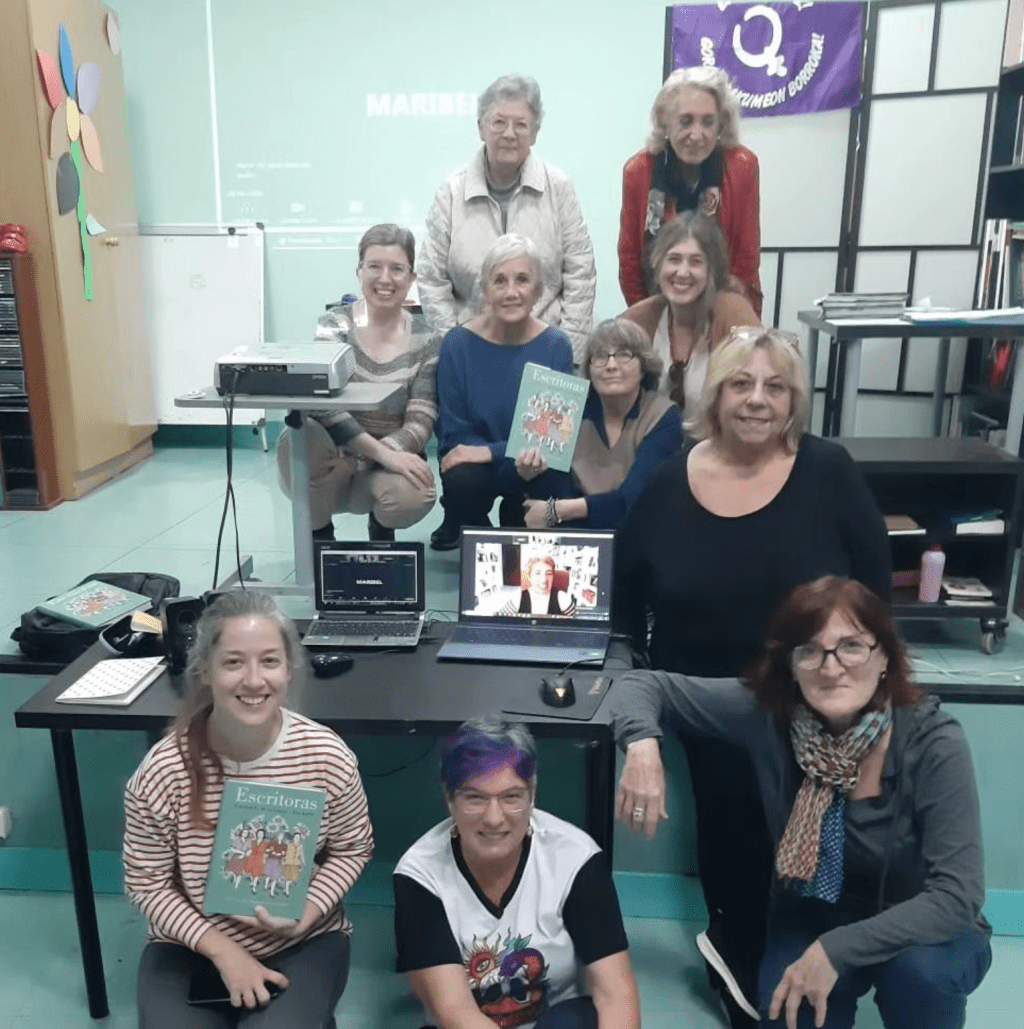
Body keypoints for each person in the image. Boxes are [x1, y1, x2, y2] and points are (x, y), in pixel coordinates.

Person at [614, 328, 891, 1028]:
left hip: (823, 704)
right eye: (741, 384)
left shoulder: (829, 470)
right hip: (709, 707)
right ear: (715, 394)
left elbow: (876, 601)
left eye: (774, 386)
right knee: (732, 842)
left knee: (823, 859)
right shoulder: (668, 482)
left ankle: (816, 967)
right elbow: (624, 610)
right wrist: (638, 722)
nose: (758, 400)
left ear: (794, 398)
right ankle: (736, 965)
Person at [612, 575, 992, 1029]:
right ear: (790, 665)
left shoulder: (934, 742)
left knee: (922, 978)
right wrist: (641, 747)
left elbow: (956, 897)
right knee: (787, 1009)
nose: (831, 667)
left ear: (885, 656)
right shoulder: (768, 715)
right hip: (814, 910)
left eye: (851, 646)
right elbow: (639, 686)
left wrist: (837, 950)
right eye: (810, 650)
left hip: (924, 921)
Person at [124, 591, 374, 1028]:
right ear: (205, 670)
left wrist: (307, 912)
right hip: (190, 945)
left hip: (304, 940)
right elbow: (147, 884)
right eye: (234, 662)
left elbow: (353, 849)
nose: (254, 681)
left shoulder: (325, 755)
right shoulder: (164, 770)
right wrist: (224, 951)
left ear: (290, 668)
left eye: (270, 661)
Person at [393, 718, 640, 1029]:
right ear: (449, 799)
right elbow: (455, 1010)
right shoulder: (419, 874)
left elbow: (616, 993)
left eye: (511, 797)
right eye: (475, 798)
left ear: (532, 796)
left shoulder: (576, 857)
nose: (494, 818)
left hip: (559, 1017)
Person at [276, 223, 438, 543]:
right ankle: (320, 534)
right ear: (359, 271)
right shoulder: (333, 325)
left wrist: (376, 457)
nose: (385, 279)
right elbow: (323, 407)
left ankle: (381, 526)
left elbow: (421, 421)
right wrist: (376, 451)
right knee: (300, 435)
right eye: (374, 267)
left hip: (379, 472)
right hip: (329, 467)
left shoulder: (428, 339)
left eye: (397, 269)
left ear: (412, 277)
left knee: (417, 492)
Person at [418, 74, 596, 364]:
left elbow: (581, 276)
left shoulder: (559, 187)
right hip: (473, 351)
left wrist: (569, 356)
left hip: (546, 351)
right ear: (481, 128)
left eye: (521, 124)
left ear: (535, 133)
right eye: (499, 122)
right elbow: (431, 279)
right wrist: (455, 347)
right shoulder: (451, 191)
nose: (509, 133)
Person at [431, 234, 574, 551]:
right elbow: (455, 437)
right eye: (500, 281)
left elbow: (552, 440)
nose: (511, 292)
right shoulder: (457, 345)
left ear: (537, 291)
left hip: (531, 461)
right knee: (462, 480)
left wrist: (493, 453)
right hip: (479, 468)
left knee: (554, 479)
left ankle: (517, 516)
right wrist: (501, 455)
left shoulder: (556, 346)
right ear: (484, 290)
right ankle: (469, 529)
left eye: (522, 280)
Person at [619, 66, 761, 315]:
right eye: (686, 121)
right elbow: (630, 260)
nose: (697, 135)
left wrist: (719, 319)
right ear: (664, 122)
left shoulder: (742, 166)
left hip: (727, 304)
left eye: (708, 122)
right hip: (656, 305)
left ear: (721, 124)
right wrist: (649, 320)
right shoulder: (638, 171)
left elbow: (745, 259)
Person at [513, 319, 681, 530]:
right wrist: (529, 473)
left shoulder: (664, 416)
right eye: (600, 356)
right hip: (574, 535)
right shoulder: (565, 407)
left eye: (623, 354)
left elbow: (634, 501)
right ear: (589, 369)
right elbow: (545, 492)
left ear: (643, 366)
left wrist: (556, 510)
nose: (611, 365)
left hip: (636, 536)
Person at [620, 212, 760, 414]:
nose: (683, 272)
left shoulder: (733, 313)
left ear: (711, 271)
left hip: (720, 442)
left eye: (695, 262)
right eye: (674, 259)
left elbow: (759, 392)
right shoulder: (639, 319)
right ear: (658, 265)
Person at [498, 555, 577, 616]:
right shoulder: (518, 597)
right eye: (538, 573)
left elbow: (577, 625)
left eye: (548, 574)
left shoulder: (562, 597)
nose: (544, 580)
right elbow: (499, 622)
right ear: (529, 577)